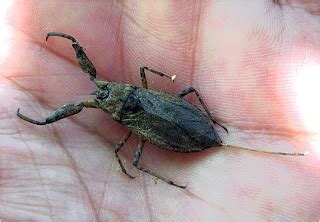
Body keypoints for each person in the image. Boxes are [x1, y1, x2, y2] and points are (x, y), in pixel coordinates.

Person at [1, 1, 319, 221]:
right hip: (175, 121)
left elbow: (122, 152)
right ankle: (219, 139)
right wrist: (43, 119)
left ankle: (212, 143)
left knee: (133, 159)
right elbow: (140, 70)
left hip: (173, 127)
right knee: (180, 101)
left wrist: (72, 42)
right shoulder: (132, 86)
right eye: (100, 96)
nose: (99, 92)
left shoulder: (119, 118)